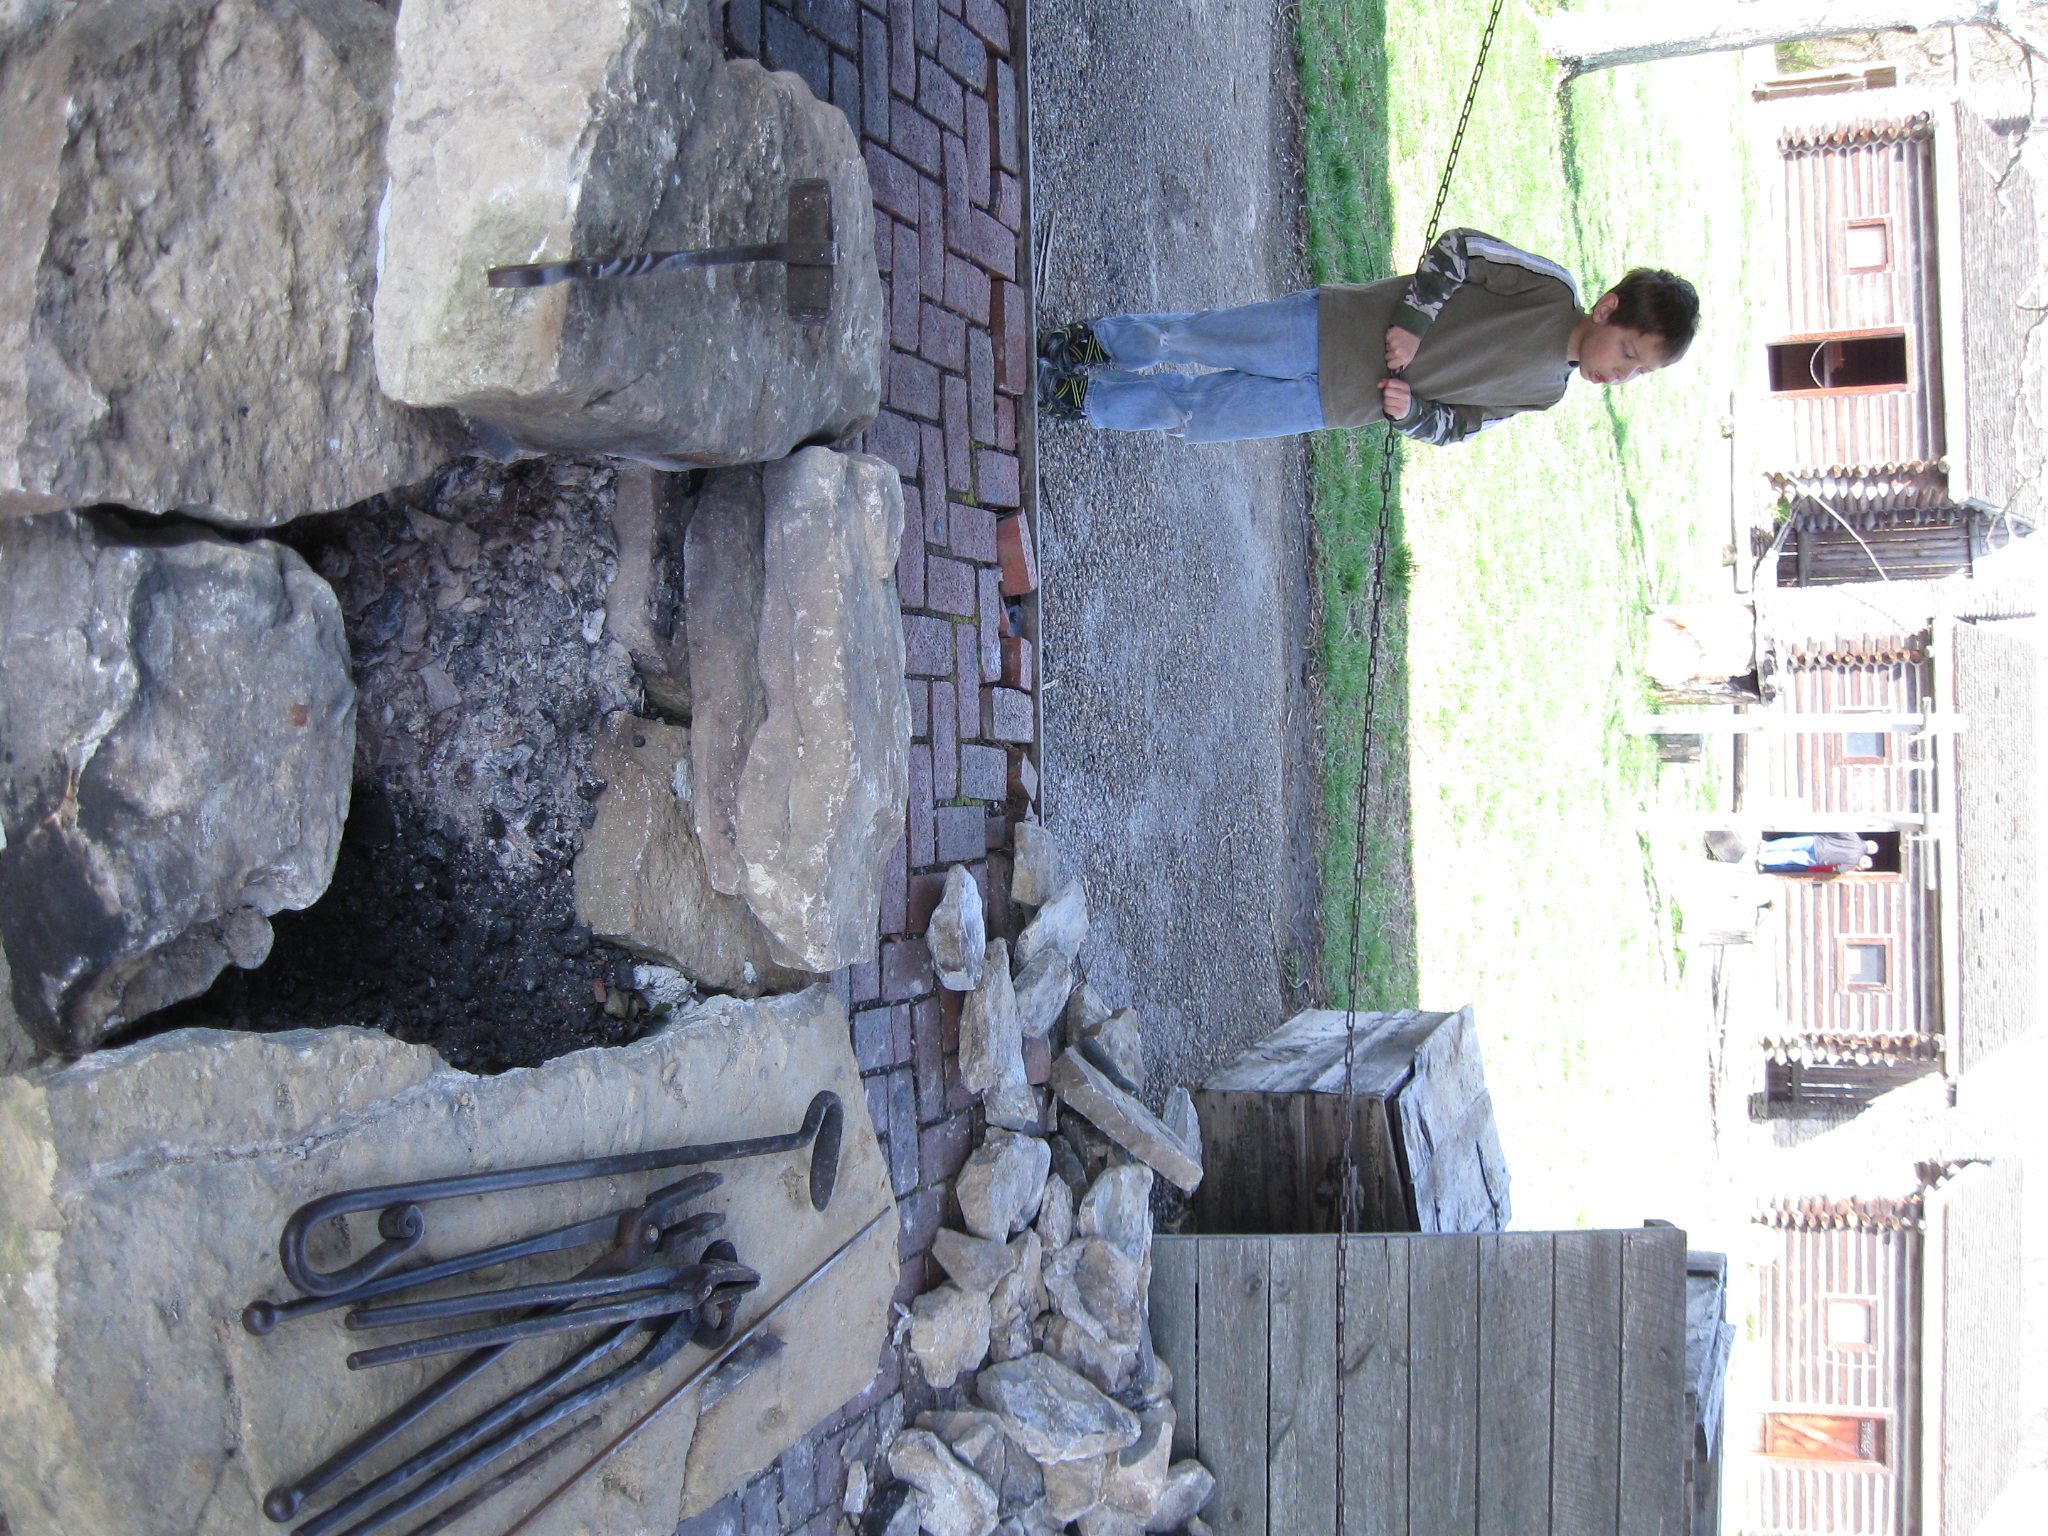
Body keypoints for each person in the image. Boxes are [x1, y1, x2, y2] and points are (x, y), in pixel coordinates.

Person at [1036, 227, 1700, 444]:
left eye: (1640, 373)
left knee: (1197, 413)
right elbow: (1460, 248)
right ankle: (1093, 346)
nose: (1623, 374)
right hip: (1325, 329)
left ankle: (1085, 402)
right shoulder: (1549, 289)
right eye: (1630, 354)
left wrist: (1412, 416)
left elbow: (1460, 425)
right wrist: (1411, 327)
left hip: (1332, 404)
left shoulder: (1546, 393)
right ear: (1609, 310)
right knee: (1194, 339)